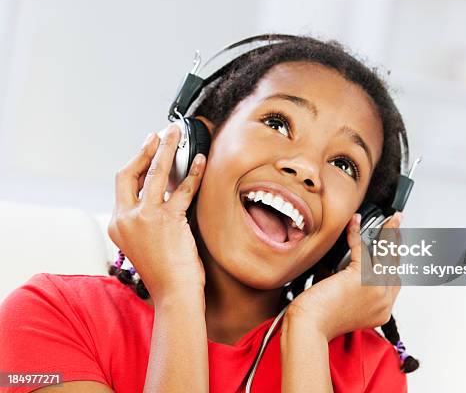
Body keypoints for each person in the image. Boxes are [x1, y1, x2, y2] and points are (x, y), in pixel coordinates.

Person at [0, 35, 418, 392]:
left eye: (345, 164)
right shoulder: (47, 315)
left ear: (363, 225)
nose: (306, 169)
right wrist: (178, 293)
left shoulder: (369, 368)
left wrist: (308, 331)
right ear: (194, 146)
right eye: (277, 123)